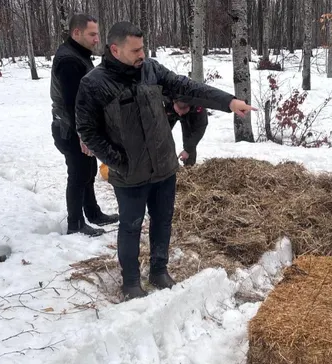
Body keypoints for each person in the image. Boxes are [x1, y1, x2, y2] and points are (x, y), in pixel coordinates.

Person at [74, 21, 256, 299]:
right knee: (131, 225)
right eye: (135, 50)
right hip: (129, 175)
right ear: (115, 49)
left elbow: (189, 88)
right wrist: (119, 162)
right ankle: (131, 281)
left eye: (143, 48)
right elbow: (87, 130)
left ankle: (159, 270)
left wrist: (229, 102)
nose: (141, 54)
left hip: (163, 167)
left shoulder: (151, 70)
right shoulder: (94, 84)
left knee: (162, 220)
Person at [50, 13, 118, 237]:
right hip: (70, 129)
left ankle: (93, 213)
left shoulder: (79, 55)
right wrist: (83, 134)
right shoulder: (69, 60)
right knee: (78, 174)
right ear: (76, 33)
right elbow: (72, 102)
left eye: (97, 34)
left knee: (88, 171)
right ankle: (75, 223)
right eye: (92, 34)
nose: (96, 39)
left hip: (79, 127)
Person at [163, 96, 208, 167]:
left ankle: (189, 166)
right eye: (178, 112)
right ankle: (165, 165)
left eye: (182, 113)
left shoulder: (199, 109)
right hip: (171, 110)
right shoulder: (168, 96)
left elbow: (199, 131)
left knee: (189, 139)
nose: (180, 115)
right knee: (161, 135)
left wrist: (187, 150)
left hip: (191, 115)